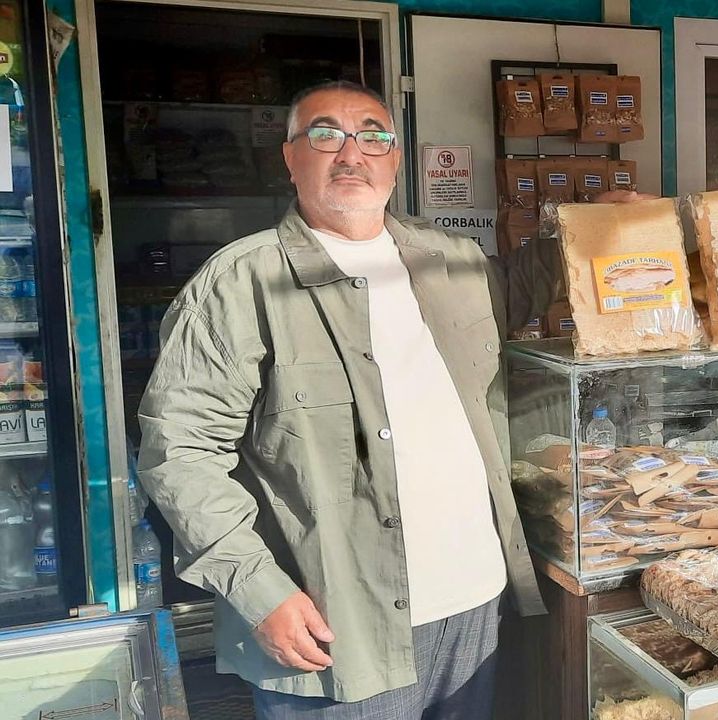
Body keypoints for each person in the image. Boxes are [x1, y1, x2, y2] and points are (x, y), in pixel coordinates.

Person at [137, 81, 566, 719]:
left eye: (372, 136)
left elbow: (521, 291)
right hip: (335, 628)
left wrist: (595, 225)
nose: (350, 153)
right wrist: (258, 589)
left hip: (475, 602)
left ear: (394, 158)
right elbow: (180, 455)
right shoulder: (240, 283)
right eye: (325, 135)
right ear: (290, 157)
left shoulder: (450, 260)